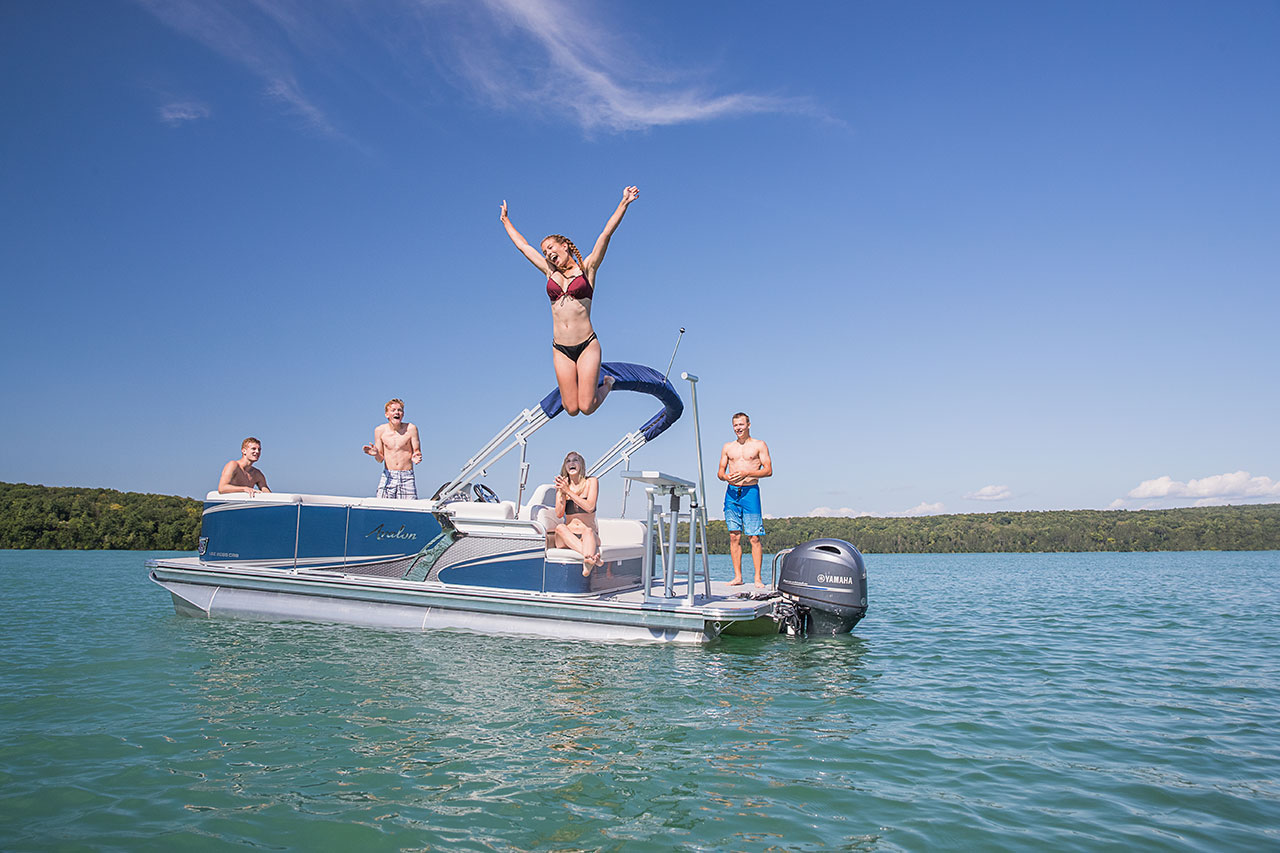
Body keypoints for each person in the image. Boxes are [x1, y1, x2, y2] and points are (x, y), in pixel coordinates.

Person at [499, 186, 640, 416]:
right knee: (571, 408)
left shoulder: (587, 268)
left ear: (564, 246)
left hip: (587, 345)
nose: (547, 253)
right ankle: (592, 389)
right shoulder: (549, 272)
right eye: (544, 251)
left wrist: (624, 203)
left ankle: (608, 385)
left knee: (586, 407)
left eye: (550, 247)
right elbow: (524, 247)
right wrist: (505, 221)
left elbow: (606, 234)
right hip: (560, 348)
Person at [717, 412, 773, 586]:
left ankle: (757, 578)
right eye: (735, 425)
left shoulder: (759, 445)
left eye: (741, 425)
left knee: (754, 537)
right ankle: (738, 577)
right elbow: (720, 472)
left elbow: (768, 470)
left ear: (748, 424)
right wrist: (725, 477)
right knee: (734, 535)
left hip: (750, 492)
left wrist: (747, 473)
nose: (738, 428)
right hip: (732, 493)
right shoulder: (728, 447)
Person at [552, 451, 603, 577]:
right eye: (568, 461)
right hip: (566, 537)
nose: (571, 463)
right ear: (565, 467)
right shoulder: (562, 486)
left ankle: (588, 562)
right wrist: (562, 492)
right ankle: (591, 558)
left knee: (588, 531)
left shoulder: (591, 482)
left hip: (587, 534)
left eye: (575, 460)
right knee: (560, 527)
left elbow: (590, 507)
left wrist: (568, 491)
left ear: (581, 465)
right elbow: (559, 514)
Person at [363, 398, 422, 499]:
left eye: (400, 410)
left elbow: (416, 451)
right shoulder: (380, 430)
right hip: (388, 475)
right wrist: (376, 453)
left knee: (408, 509)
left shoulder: (411, 428)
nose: (397, 412)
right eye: (393, 410)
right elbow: (380, 459)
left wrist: (416, 456)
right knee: (380, 507)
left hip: (407, 476)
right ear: (387, 414)